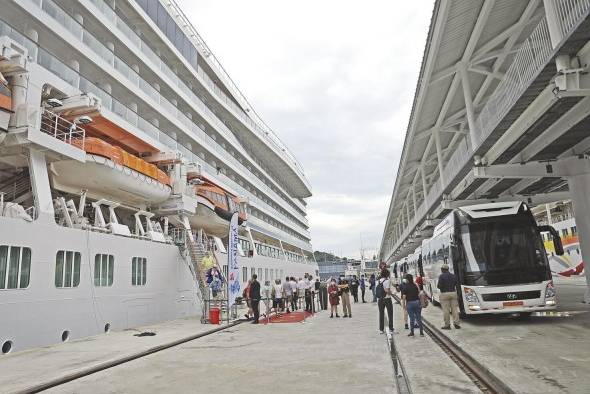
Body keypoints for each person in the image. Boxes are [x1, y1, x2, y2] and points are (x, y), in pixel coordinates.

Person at [437, 264, 461, 329]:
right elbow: (457, 285)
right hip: (453, 293)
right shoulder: (453, 276)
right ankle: (456, 324)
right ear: (448, 269)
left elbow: (439, 286)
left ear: (442, 270)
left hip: (444, 294)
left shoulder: (441, 276)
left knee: (446, 310)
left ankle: (447, 325)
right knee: (455, 310)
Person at [376, 269, 393, 334]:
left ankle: (381, 329)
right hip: (387, 299)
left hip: (380, 299)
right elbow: (387, 291)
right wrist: (392, 293)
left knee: (381, 314)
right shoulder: (387, 281)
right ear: (387, 274)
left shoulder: (379, 281)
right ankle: (391, 329)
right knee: (390, 314)